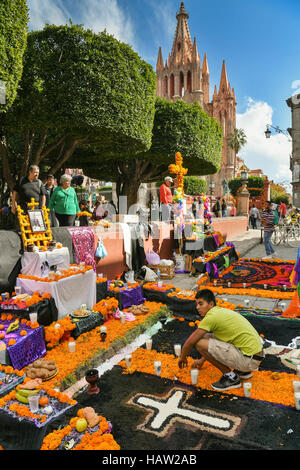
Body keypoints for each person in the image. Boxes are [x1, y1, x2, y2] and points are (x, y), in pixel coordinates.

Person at [178, 289, 265, 391]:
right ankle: (243, 371)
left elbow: (190, 342)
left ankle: (231, 377)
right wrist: (202, 360)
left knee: (199, 343)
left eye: (201, 304)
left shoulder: (211, 317)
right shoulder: (220, 311)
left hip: (249, 360)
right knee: (206, 337)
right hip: (255, 356)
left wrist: (183, 357)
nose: (197, 307)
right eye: (197, 304)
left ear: (211, 304)